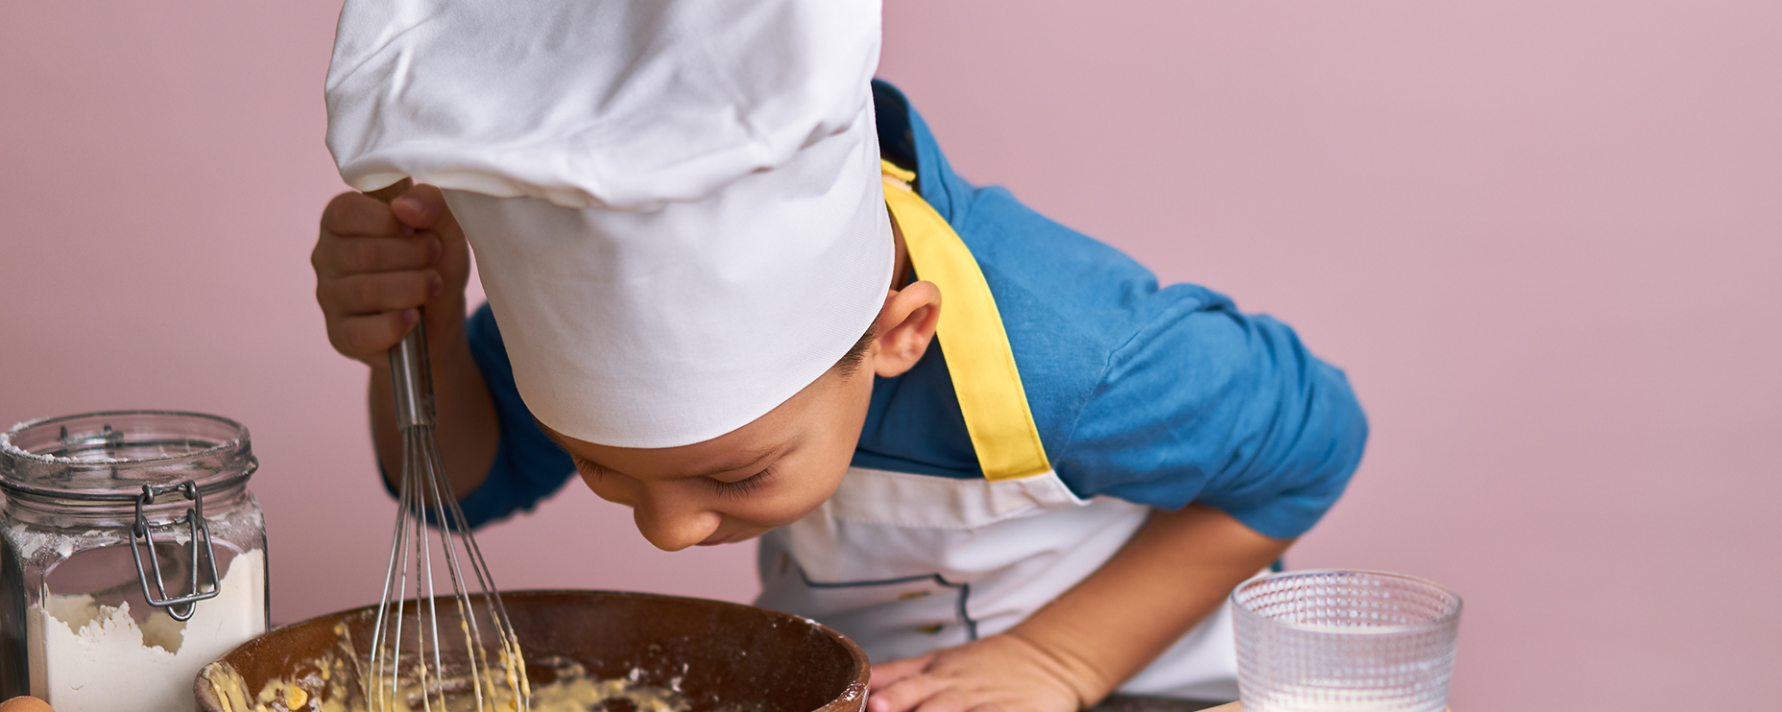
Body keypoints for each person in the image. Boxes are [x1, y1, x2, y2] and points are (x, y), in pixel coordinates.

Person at [312, 1, 1367, 710]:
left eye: (737, 473)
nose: (669, 535)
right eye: (603, 469)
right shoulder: (600, 328)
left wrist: (1062, 659)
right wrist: (424, 338)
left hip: (1163, 686)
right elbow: (460, 488)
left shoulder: (1072, 359)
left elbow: (1315, 439)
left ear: (899, 334)